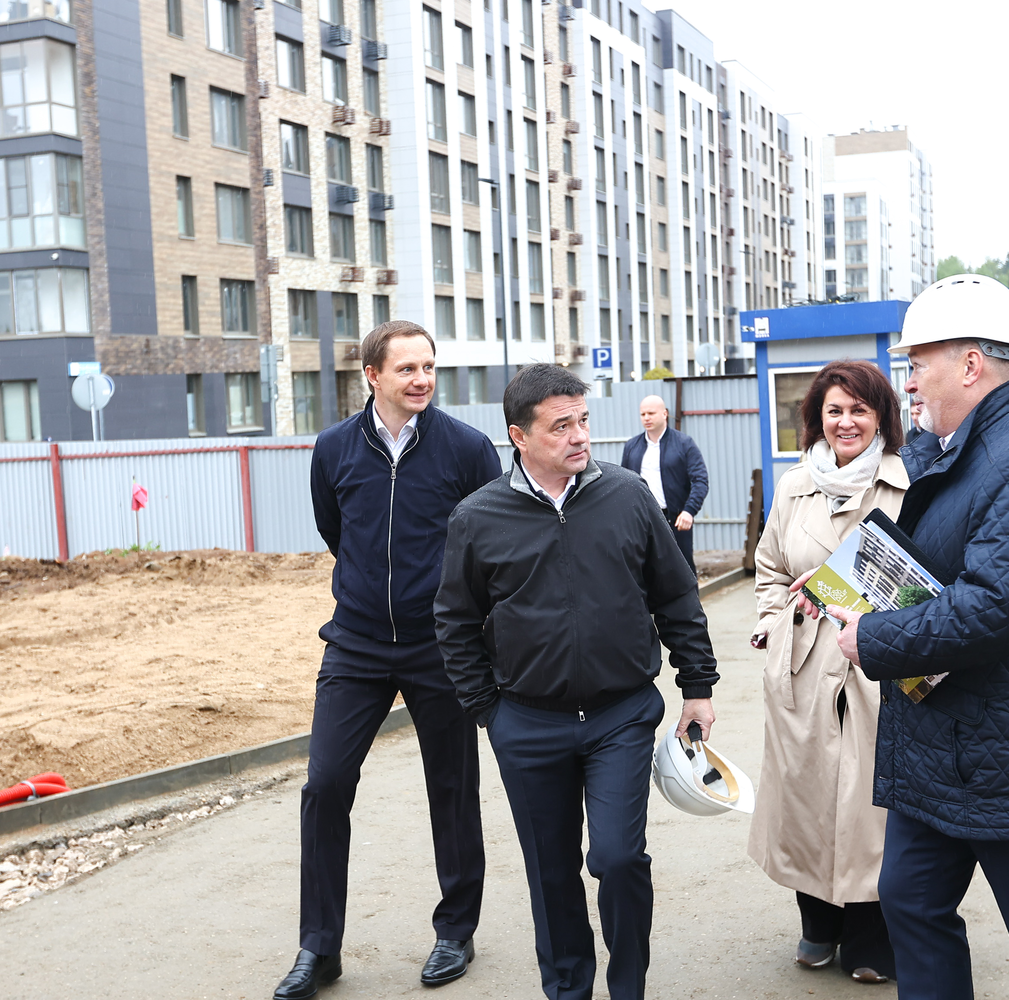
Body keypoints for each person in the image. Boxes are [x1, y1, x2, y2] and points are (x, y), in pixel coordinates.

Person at [825, 274, 1009, 1000]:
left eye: (918, 364)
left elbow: (990, 608)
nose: (908, 383)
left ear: (972, 365)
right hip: (942, 752)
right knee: (912, 905)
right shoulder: (955, 449)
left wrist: (875, 639)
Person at [435, 364, 719, 1000]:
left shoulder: (627, 496)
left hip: (621, 716)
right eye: (560, 426)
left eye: (583, 420)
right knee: (552, 872)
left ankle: (628, 987)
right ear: (519, 436)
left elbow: (676, 595)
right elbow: (453, 619)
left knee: (618, 859)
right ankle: (568, 990)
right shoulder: (477, 517)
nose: (579, 436)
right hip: (526, 724)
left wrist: (697, 686)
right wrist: (489, 711)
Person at [276, 321, 502, 1000]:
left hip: (441, 646)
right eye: (407, 368)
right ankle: (319, 947)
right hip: (356, 644)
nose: (422, 379)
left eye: (428, 366)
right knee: (325, 785)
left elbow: (491, 542)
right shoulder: (334, 448)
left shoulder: (467, 448)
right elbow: (335, 530)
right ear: (372, 375)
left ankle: (456, 930)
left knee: (452, 787)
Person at [749, 360, 907, 985]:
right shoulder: (794, 486)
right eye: (834, 410)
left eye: (859, 410)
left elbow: (922, 579)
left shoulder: (907, 484)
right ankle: (817, 924)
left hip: (876, 666)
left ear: (881, 418)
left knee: (870, 807)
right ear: (817, 417)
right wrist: (776, 625)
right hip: (803, 667)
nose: (846, 422)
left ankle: (871, 935)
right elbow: (769, 567)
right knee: (805, 795)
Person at [620, 394, 709, 574]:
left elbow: (700, 480)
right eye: (643, 414)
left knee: (682, 571)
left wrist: (689, 511)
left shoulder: (684, 444)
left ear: (665, 413)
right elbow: (624, 484)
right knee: (645, 571)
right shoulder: (632, 446)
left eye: (651, 413)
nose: (646, 418)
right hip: (643, 521)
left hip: (675, 520)